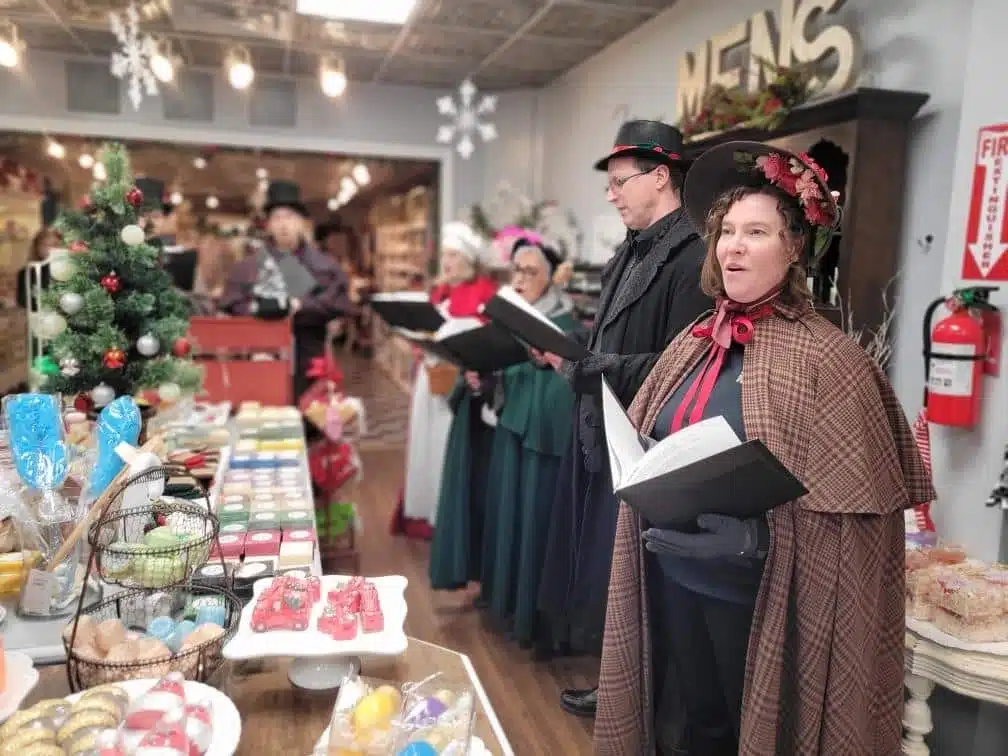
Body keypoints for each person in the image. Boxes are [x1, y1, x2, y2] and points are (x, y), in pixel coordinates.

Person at [593, 142, 935, 755]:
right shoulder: (696, 340)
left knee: (750, 732)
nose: (734, 246)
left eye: (756, 231)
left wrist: (758, 541)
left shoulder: (831, 361)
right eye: (727, 231)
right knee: (695, 729)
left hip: (752, 597)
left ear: (793, 247)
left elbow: (855, 523)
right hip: (671, 573)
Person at [535, 120, 713, 718]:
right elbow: (604, 333)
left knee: (639, 578)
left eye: (620, 182)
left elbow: (684, 361)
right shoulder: (628, 250)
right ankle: (620, 684)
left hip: (649, 439)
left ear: (661, 176)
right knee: (612, 571)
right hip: (607, 425)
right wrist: (575, 356)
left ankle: (636, 698)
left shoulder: (692, 254)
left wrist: (599, 365)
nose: (611, 194)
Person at [474, 237, 581, 650]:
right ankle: (506, 604)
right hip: (512, 429)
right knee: (508, 517)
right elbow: (501, 370)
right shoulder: (510, 320)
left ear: (551, 278)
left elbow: (568, 381)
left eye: (530, 272)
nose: (519, 279)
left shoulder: (567, 324)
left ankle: (535, 619)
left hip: (544, 439)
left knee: (537, 523)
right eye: (515, 271)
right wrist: (482, 377)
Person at [391, 222, 497, 540]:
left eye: (453, 255)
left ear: (468, 258)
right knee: (426, 443)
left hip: (461, 386)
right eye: (444, 255)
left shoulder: (485, 292)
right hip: (431, 381)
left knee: (447, 446)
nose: (447, 263)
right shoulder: (439, 292)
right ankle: (425, 513)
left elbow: (488, 341)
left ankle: (448, 516)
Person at [219, 180, 355, 401]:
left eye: (290, 217)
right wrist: (259, 309)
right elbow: (231, 303)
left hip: (310, 357)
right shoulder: (249, 266)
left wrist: (299, 306)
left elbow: (339, 303)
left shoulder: (324, 265)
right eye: (277, 218)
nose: (284, 225)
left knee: (310, 422)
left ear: (302, 222)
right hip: (262, 356)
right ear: (268, 224)